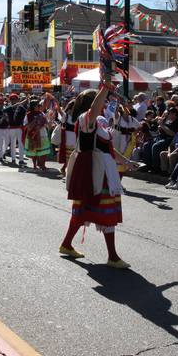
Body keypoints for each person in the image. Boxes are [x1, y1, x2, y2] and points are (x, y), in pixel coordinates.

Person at [59, 86, 137, 268]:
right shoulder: (86, 119)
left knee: (83, 211)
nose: (105, 103)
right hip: (94, 173)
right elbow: (94, 111)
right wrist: (105, 88)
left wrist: (127, 161)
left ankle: (66, 244)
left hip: (101, 171)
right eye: (101, 100)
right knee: (103, 213)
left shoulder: (99, 123)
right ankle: (113, 256)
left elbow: (108, 148)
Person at [24, 98, 51, 170]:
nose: (39, 106)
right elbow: (26, 125)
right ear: (33, 106)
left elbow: (46, 122)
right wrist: (34, 123)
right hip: (33, 135)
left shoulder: (41, 113)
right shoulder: (28, 115)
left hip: (42, 134)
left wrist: (48, 123)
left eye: (39, 105)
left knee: (44, 151)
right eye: (37, 105)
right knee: (34, 151)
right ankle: (34, 165)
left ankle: (43, 165)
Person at [6, 93, 27, 166]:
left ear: (17, 99)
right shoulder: (9, 107)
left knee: (21, 144)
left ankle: (21, 160)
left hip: (19, 128)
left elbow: (25, 116)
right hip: (11, 128)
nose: (13, 101)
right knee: (13, 144)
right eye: (11, 99)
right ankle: (13, 159)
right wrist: (14, 106)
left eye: (14, 99)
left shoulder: (21, 108)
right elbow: (4, 110)